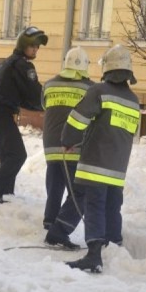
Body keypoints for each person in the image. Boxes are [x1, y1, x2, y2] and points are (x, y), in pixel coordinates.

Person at [61, 45, 140, 273]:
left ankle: (94, 255)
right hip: (118, 167)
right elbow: (131, 132)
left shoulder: (99, 91)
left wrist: (68, 140)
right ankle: (114, 245)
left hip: (95, 163)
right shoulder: (134, 100)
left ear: (107, 69)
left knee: (94, 205)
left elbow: (78, 118)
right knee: (113, 207)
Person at [0, 26, 47, 203]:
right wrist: (49, 103)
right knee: (18, 155)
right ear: (23, 45)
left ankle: (4, 194)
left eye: (38, 46)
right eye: (33, 46)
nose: (36, 49)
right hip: (1, 112)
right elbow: (34, 93)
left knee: (8, 156)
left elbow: (23, 96)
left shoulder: (11, 61)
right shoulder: (23, 65)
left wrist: (37, 106)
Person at [42, 46, 93, 250]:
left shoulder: (49, 85)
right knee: (77, 192)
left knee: (55, 185)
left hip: (50, 144)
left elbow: (44, 106)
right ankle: (60, 228)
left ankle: (50, 220)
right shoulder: (90, 88)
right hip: (73, 146)